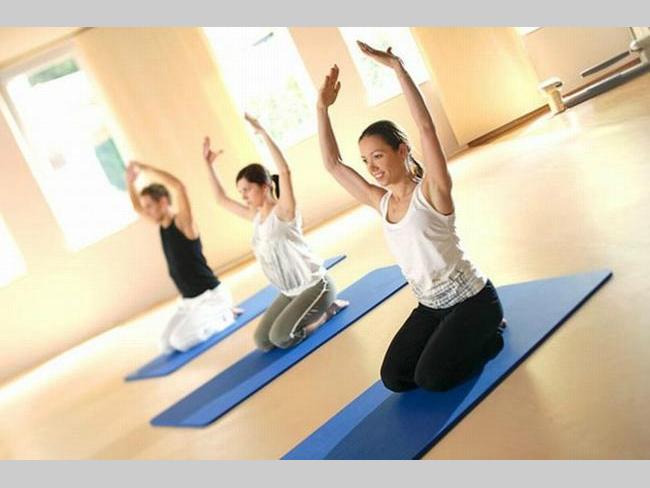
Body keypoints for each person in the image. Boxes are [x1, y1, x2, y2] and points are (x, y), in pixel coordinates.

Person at [315, 41, 506, 392]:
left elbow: (426, 128)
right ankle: (456, 339)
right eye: (366, 161)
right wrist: (321, 108)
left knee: (431, 379)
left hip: (473, 302)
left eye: (378, 156)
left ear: (401, 150)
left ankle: (490, 337)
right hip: (430, 307)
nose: (372, 167)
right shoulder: (381, 202)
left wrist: (398, 68)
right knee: (395, 378)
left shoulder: (432, 190)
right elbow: (332, 164)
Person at [203, 113, 347, 351]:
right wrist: (209, 166)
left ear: (265, 186)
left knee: (282, 338)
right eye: (241, 192)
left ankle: (326, 313)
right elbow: (221, 199)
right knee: (263, 341)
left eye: (247, 190)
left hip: (315, 285)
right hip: (290, 292)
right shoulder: (255, 217)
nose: (244, 196)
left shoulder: (284, 211)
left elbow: (284, 170)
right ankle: (309, 313)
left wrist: (262, 133)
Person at [126, 161, 238, 353]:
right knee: (165, 345)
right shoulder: (161, 225)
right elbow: (137, 208)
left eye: (150, 206)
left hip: (210, 296)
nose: (146, 211)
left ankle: (225, 315)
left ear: (163, 202)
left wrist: (147, 169)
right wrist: (130, 183)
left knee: (180, 341)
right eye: (146, 207)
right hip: (189, 302)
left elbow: (179, 187)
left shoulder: (183, 222)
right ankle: (214, 315)